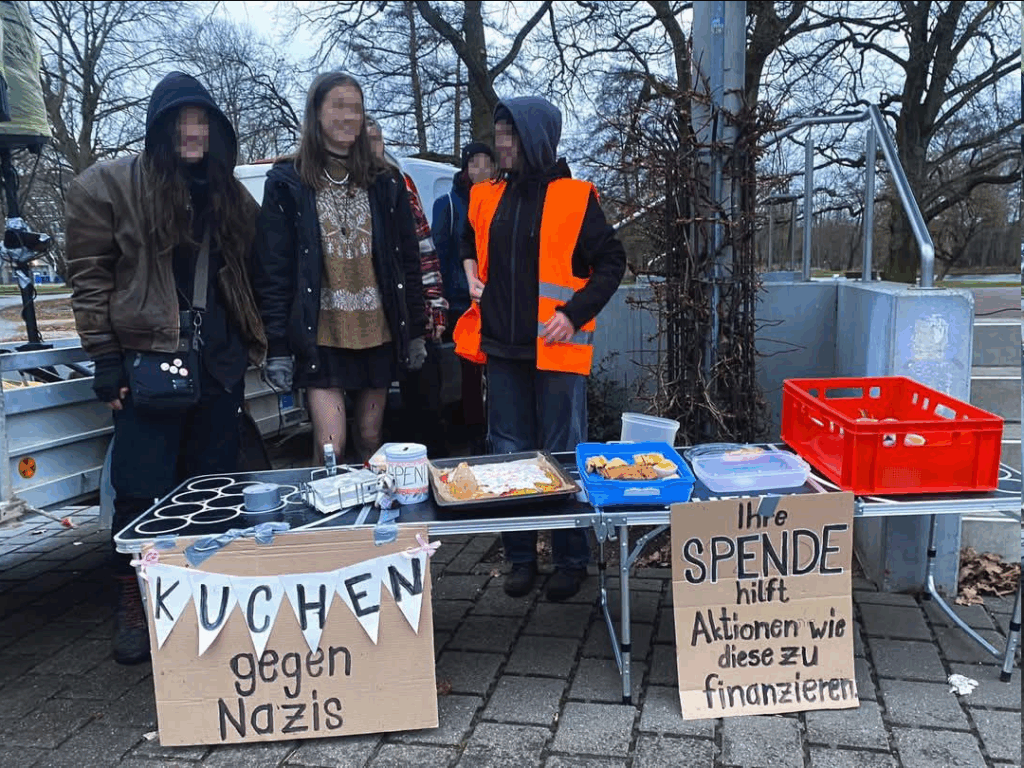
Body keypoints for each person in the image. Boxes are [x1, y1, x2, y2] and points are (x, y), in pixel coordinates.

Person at [65, 72, 266, 664]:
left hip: (218, 364)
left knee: (214, 489)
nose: (193, 132)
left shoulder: (230, 194)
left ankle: (206, 597)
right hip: (149, 364)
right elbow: (90, 278)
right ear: (161, 127)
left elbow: (261, 264)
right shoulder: (110, 186)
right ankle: (136, 599)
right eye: (181, 122)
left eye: (202, 121)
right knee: (141, 491)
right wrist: (105, 358)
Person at [454, 97, 626, 601]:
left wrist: (572, 314)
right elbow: (465, 239)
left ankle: (571, 561)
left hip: (557, 350)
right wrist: (468, 273)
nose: (501, 143)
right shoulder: (486, 195)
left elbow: (612, 262)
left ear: (536, 139)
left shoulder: (575, 197)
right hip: (502, 348)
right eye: (499, 133)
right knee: (510, 458)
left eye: (510, 134)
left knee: (562, 455)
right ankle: (521, 558)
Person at [254, 73, 426, 466]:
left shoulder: (386, 182)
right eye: (338, 106)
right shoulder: (287, 182)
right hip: (321, 335)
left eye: (356, 108)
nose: (348, 116)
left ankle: (372, 508)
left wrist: (415, 330)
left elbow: (408, 263)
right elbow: (273, 271)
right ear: (316, 113)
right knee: (331, 444)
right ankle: (325, 508)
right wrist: (277, 347)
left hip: (377, 331)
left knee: (370, 438)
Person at [365, 117, 449, 456]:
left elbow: (424, 252)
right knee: (372, 421)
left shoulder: (399, 185)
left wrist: (435, 307)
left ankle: (433, 472)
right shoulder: (342, 189)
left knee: (426, 409)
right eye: (365, 139)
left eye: (376, 139)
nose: (372, 146)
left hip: (410, 313)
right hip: (368, 321)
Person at [433, 142, 495, 452]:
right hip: (461, 304)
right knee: (469, 376)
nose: (481, 169)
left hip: (496, 302)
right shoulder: (448, 203)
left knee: (497, 374)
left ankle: (494, 433)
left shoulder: (501, 198)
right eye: (475, 163)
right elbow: (439, 254)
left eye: (487, 163)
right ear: (465, 168)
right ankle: (474, 440)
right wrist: (442, 299)